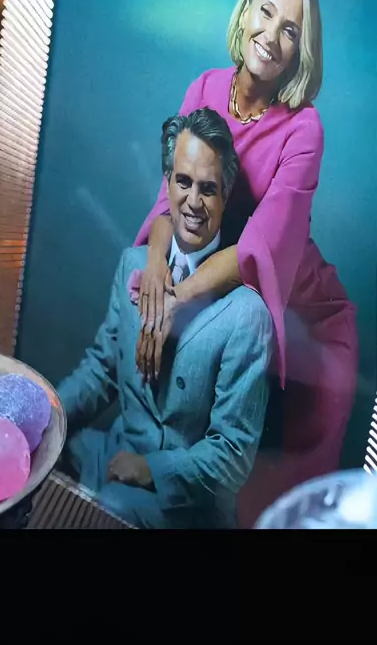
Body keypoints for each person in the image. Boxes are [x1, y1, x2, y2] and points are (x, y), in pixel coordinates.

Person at [134, 0, 358, 495]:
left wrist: (176, 299)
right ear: (247, 10)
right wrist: (156, 270)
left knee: (264, 498)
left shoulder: (305, 128)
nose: (272, 36)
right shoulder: (204, 87)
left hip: (299, 316)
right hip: (218, 289)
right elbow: (167, 202)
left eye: (291, 30)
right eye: (267, 12)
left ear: (301, 50)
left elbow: (262, 247)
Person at [57, 108, 273, 529]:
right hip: (112, 454)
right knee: (38, 454)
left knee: (110, 509)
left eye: (208, 189)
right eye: (184, 182)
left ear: (226, 195)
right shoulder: (134, 264)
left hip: (184, 503)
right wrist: (48, 418)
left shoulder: (248, 317)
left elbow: (231, 456)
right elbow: (102, 369)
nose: (193, 201)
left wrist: (150, 470)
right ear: (168, 182)